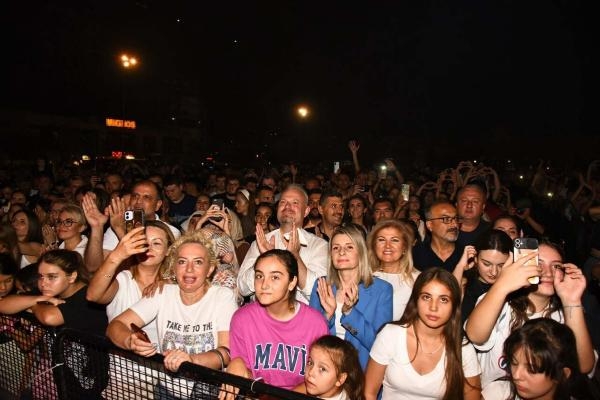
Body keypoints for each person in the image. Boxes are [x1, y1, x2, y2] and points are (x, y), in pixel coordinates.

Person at [107, 230, 238, 397]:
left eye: (198, 262)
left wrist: (191, 361)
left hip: (208, 393)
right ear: (174, 267)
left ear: (210, 269)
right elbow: (115, 325)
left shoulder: (222, 296)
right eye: (182, 262)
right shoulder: (163, 293)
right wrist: (129, 341)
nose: (189, 269)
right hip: (167, 391)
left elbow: (226, 352)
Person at [464, 241, 596, 399]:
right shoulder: (499, 301)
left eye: (556, 266)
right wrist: (502, 284)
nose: (548, 272)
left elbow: (583, 367)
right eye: (538, 263)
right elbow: (475, 335)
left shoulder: (566, 314)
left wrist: (571, 300)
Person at [0, 249, 109, 398]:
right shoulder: (52, 292)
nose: (43, 283)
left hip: (92, 381)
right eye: (40, 276)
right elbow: (3, 304)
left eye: (52, 277)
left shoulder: (86, 297)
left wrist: (35, 305)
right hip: (65, 376)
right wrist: (36, 299)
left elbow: (49, 318)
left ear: (72, 276)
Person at [364, 268, 481, 400]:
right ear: (416, 300)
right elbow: (369, 393)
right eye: (426, 297)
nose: (433, 307)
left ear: (454, 306)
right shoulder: (391, 335)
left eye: (443, 299)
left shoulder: (463, 348)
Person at [223, 249, 328, 395]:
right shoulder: (242, 319)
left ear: (292, 283)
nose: (264, 285)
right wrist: (237, 364)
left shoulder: (315, 323)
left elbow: (320, 380)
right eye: (259, 276)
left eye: (275, 277)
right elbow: (247, 375)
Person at [310, 224, 393, 369]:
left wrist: (350, 313)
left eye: (349, 247)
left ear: (361, 252)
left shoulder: (381, 290)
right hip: (323, 369)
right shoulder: (322, 284)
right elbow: (309, 337)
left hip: (360, 372)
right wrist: (327, 316)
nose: (341, 252)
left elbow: (379, 345)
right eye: (336, 248)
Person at [238, 184, 328, 303]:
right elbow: (242, 288)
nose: (287, 206)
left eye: (295, 203)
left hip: (301, 313)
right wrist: (266, 258)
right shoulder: (262, 242)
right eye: (283, 202)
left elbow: (318, 292)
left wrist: (295, 257)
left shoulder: (319, 245)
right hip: (263, 313)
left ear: (306, 211)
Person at [503, 318, 591, 400]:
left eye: (531, 369)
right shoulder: (501, 392)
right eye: (514, 363)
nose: (516, 375)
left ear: (562, 374)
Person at [455, 229, 512, 323]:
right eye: (486, 264)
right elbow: (449, 300)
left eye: (501, 265)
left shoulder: (514, 289)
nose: (494, 272)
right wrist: (460, 267)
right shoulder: (464, 284)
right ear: (475, 258)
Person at [369, 219, 420, 320]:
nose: (387, 246)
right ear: (374, 246)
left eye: (395, 240)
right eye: (381, 240)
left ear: (404, 247)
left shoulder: (418, 280)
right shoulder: (365, 277)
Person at [297, 335, 365, 400]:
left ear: (340, 379)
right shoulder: (313, 386)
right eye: (310, 363)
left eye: (322, 369)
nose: (310, 372)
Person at [412, 200, 464, 272]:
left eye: (456, 219)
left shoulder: (466, 255)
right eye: (446, 219)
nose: (455, 224)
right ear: (430, 225)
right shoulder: (416, 255)